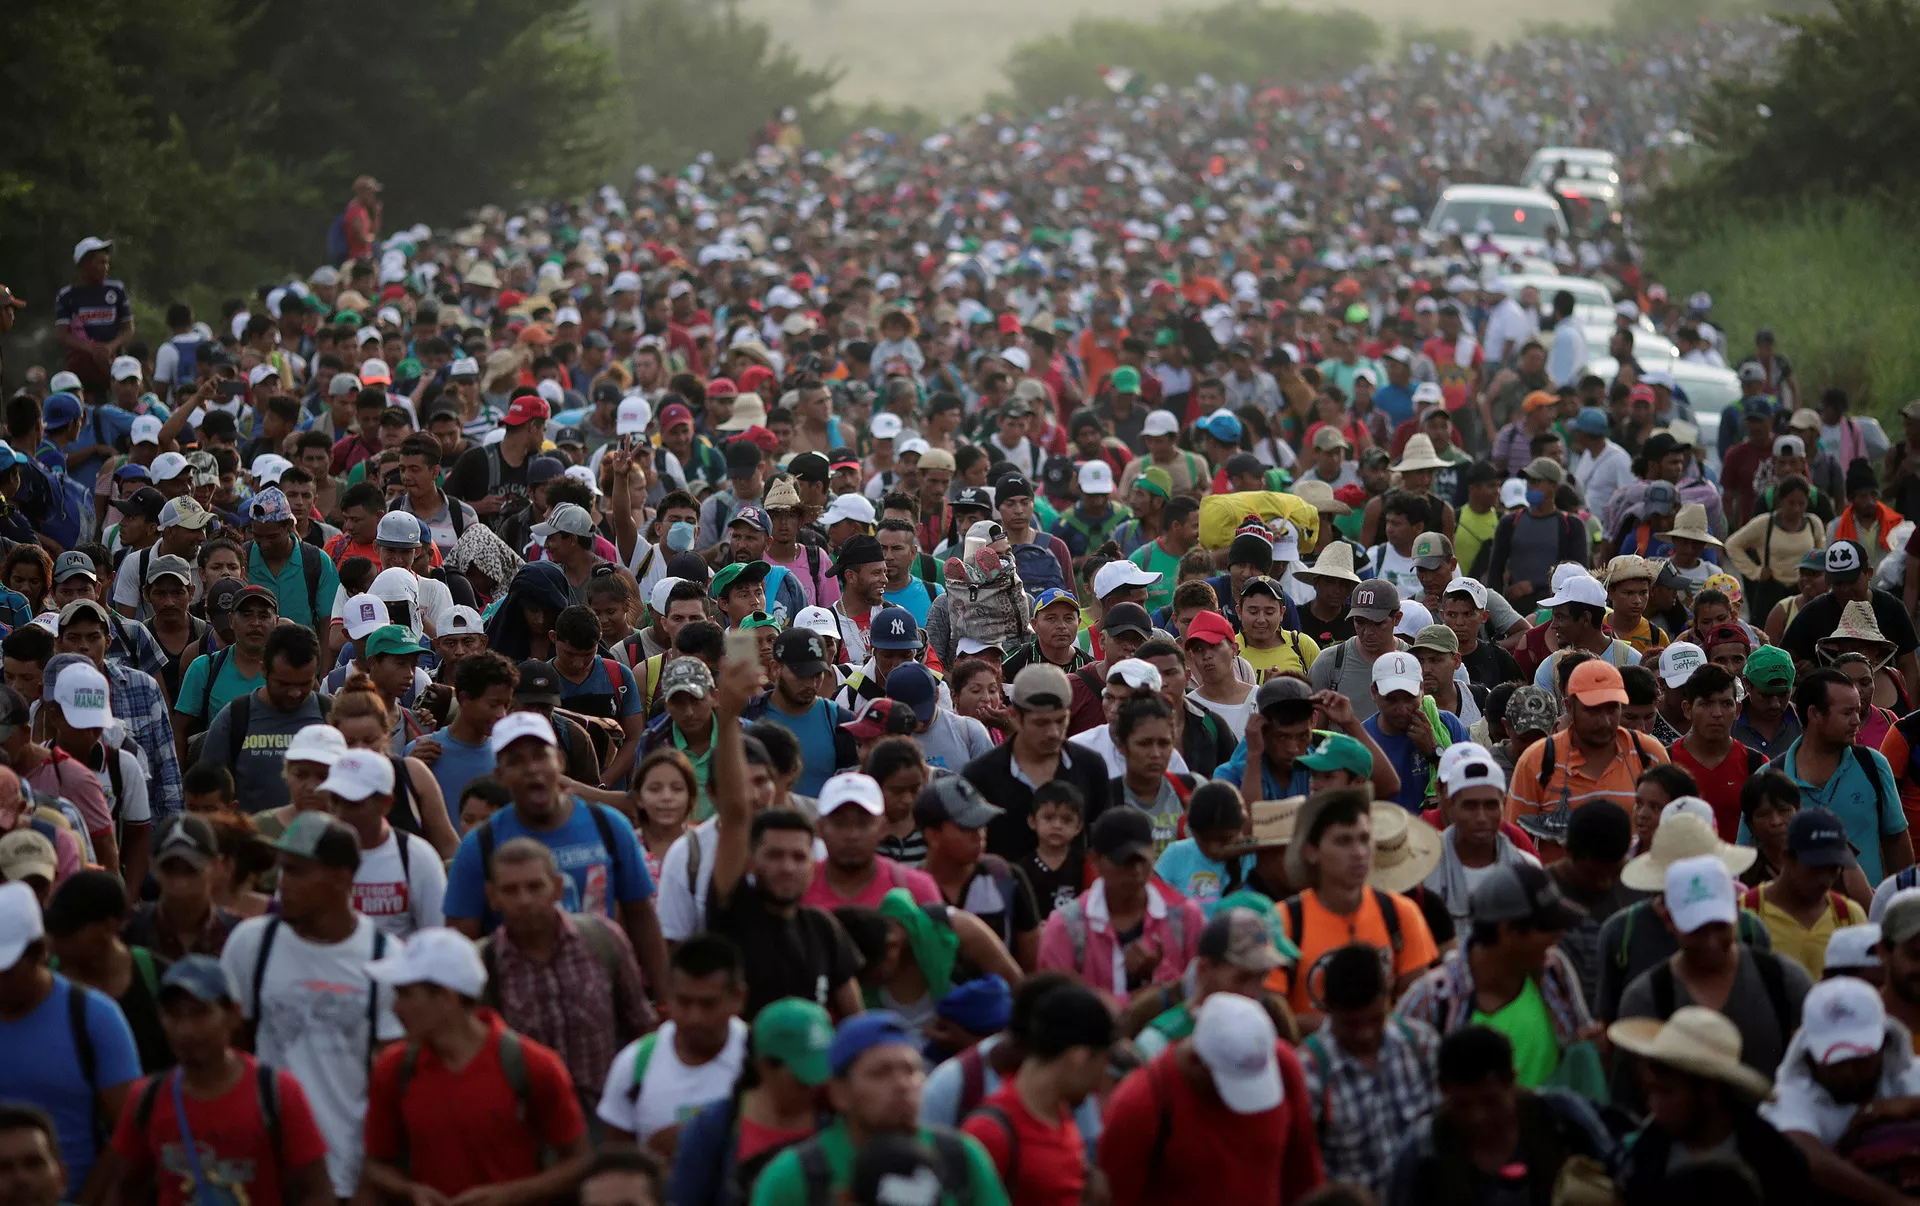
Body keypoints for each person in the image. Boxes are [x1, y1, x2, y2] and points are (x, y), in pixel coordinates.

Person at [217, 813, 404, 1200]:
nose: (282, 883)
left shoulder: (387, 960)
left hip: (347, 1179)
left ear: (341, 879)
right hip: (262, 1176)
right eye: (282, 869)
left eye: (297, 871)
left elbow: (393, 1088)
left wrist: (370, 1185)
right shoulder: (250, 945)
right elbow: (232, 1051)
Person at [442, 711, 668, 994]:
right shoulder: (479, 846)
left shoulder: (610, 827)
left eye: (540, 756)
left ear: (559, 762)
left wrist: (665, 997)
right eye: (516, 761)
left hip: (600, 997)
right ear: (499, 775)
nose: (531, 769)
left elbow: (641, 916)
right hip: (518, 1004)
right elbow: (460, 945)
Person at [361, 927, 591, 1204]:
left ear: (447, 998)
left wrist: (509, 1195)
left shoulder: (534, 1066)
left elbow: (580, 1163)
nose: (396, 1008)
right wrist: (409, 1191)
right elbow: (375, 1164)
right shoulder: (394, 1069)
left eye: (406, 994)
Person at [704, 649, 865, 1020]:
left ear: (814, 863)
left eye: (797, 857)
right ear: (752, 860)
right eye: (775, 855)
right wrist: (727, 718)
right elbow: (736, 813)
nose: (787, 867)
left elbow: (853, 1020)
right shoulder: (732, 909)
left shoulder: (823, 930)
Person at [102, 955, 335, 1206]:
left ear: (233, 1014)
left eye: (200, 1013)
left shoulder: (277, 1093)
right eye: (173, 1015)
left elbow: (318, 1191)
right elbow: (124, 1190)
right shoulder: (147, 1098)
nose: (185, 1030)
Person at [747, 1010, 1008, 1206]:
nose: (903, 1085)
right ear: (839, 1093)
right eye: (880, 1073)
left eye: (911, 1070)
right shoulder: (795, 1177)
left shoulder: (962, 1158)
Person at [1613, 855, 1813, 1105]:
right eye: (1696, 929)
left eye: (1720, 927)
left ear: (1737, 914)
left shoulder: (1784, 981)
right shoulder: (1647, 998)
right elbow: (1631, 1097)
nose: (1710, 941)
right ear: (1669, 920)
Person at [474, 837, 651, 1114]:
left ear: (557, 888)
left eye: (535, 887)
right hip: (528, 1120)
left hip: (605, 1112)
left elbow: (640, 1025)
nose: (524, 900)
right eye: (510, 890)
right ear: (493, 896)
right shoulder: (481, 964)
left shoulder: (602, 939)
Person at [1098, 992, 1324, 1206]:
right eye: (1231, 1082)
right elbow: (1116, 1197)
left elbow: (1304, 1176)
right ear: (1196, 1061)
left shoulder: (1278, 1066)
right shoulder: (1140, 1105)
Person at [1397, 862, 1595, 1088]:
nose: (1558, 935)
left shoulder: (1554, 972)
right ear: (1507, 930)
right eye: (1547, 927)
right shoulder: (1430, 1001)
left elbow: (1579, 1042)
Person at [1386, 1025, 1615, 1206]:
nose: (1477, 1117)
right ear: (1443, 1091)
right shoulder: (1422, 1152)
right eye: (1462, 1105)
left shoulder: (1562, 1119)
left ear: (1512, 1082)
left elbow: (1618, 1177)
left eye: (1490, 1102)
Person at [1609, 1005, 1813, 1206]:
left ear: (1709, 1092)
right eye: (1651, 1091)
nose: (1652, 1105)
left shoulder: (1777, 1161)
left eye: (1666, 1092)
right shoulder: (1639, 1159)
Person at [1271, 788, 1439, 1027]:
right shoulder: (1283, 922)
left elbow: (1417, 1009)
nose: (1359, 852)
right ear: (1311, 852)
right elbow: (1274, 1018)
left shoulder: (1401, 913)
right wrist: (1351, 1026)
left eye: (1364, 838)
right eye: (1343, 841)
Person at [1759, 974, 1920, 1205]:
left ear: (1885, 1042)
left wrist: (1908, 1106)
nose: (1849, 1072)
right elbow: (1802, 1155)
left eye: (1861, 1059)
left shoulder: (1910, 1077)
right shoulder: (1787, 1098)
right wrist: (1898, 1202)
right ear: (1810, 1053)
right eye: (1836, 1061)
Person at [1297, 942, 1440, 1199]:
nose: (1365, 1034)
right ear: (1328, 1009)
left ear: (1387, 1001)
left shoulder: (1421, 1044)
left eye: (1375, 1019)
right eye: (1351, 1024)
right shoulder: (1310, 1072)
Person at [959, 980, 1113, 1206]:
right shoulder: (988, 1133)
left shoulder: (1062, 1116)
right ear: (1079, 1057)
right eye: (1101, 1065)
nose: (1098, 1083)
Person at [1037, 808, 1203, 1008]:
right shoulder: (1064, 927)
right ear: (1095, 860)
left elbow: (1204, 990)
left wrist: (1157, 973)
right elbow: (1055, 1007)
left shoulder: (1186, 916)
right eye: (1124, 862)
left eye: (1142, 861)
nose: (1136, 871)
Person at [598, 933, 749, 1150]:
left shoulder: (760, 1061)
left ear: (739, 998)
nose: (695, 1017)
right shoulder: (633, 1066)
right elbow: (615, 1160)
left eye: (709, 1004)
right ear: (668, 996)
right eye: (684, 1002)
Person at [1506, 659, 1668, 855]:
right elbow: (1515, 844)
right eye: (1593, 710)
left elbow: (1670, 831)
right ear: (1569, 707)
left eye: (1612, 709)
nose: (1605, 721)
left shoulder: (1650, 754)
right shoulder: (1537, 760)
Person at [1771, 667, 1913, 886]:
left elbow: (1896, 841)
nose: (1857, 720)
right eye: (1847, 713)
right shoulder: (1771, 778)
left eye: (1857, 711)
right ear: (1814, 714)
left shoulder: (1874, 765)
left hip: (1868, 906)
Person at [961, 664, 1110, 865]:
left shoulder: (1090, 767)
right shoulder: (981, 775)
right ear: (1014, 717)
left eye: (1061, 721)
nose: (1053, 733)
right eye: (1041, 723)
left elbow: (1103, 842)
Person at [1743, 807, 1869, 978]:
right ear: (1786, 857)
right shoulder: (1747, 915)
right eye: (1815, 869)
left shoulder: (1850, 916)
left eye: (1834, 869)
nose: (1825, 880)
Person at [1364, 650, 1469, 813]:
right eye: (1391, 699)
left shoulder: (1448, 724)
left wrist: (1433, 751)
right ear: (1374, 692)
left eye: (1409, 697)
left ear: (1422, 689)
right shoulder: (1362, 740)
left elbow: (1472, 785)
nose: (1401, 708)